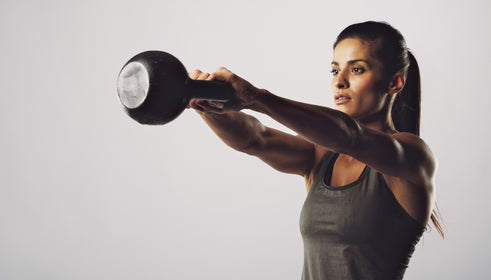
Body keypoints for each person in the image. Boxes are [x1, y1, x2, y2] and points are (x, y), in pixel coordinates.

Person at [187, 21, 444, 279]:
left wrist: (257, 98)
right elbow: (255, 138)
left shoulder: (413, 156)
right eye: (334, 71)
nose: (339, 82)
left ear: (395, 83)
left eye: (356, 69)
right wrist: (206, 105)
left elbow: (351, 137)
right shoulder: (320, 154)